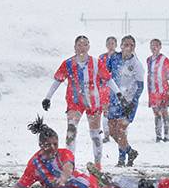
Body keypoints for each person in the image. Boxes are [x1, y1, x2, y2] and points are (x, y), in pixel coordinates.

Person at [41, 35, 120, 169]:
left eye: (84, 44)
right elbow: (58, 80)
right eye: (79, 45)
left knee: (95, 133)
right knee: (71, 130)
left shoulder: (96, 62)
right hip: (75, 101)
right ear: (75, 47)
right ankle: (69, 163)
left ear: (88, 47)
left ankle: (98, 164)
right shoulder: (68, 63)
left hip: (93, 101)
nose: (82, 47)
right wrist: (48, 97)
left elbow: (107, 79)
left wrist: (118, 93)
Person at [8, 116, 120, 188]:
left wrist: (62, 179)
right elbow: (19, 187)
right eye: (48, 145)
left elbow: (68, 167)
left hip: (86, 185)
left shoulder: (64, 153)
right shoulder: (35, 165)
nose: (52, 148)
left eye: (55, 144)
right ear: (41, 145)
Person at [107, 35, 145, 167]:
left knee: (121, 129)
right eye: (126, 44)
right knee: (112, 132)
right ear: (121, 46)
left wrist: (132, 102)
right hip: (114, 100)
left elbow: (140, 87)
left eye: (131, 45)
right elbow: (106, 75)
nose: (129, 47)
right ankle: (130, 151)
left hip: (128, 102)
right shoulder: (114, 58)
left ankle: (121, 159)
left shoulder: (136, 64)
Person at [146, 38, 169, 142]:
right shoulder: (149, 59)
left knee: (164, 112)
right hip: (152, 90)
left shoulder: (164, 59)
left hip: (162, 90)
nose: (154, 47)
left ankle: (166, 136)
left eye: (156, 45)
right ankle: (158, 135)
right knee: (156, 113)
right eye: (152, 45)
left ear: (160, 47)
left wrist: (161, 78)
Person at [98, 36, 118, 143]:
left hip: (118, 88)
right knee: (105, 110)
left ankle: (118, 133)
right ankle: (106, 134)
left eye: (113, 43)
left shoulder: (119, 57)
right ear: (106, 45)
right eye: (109, 43)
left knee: (117, 112)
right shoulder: (101, 58)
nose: (111, 45)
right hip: (105, 87)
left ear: (116, 45)